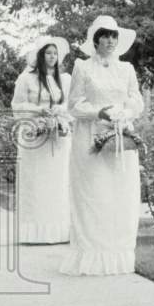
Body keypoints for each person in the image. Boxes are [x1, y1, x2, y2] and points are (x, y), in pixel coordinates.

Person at [60, 15, 144, 276]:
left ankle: (118, 256)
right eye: (104, 36)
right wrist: (100, 113)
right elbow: (74, 105)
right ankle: (91, 255)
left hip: (120, 137)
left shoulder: (127, 69)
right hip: (90, 138)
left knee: (120, 195)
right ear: (95, 41)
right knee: (94, 194)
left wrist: (123, 114)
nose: (109, 40)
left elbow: (136, 101)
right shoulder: (83, 67)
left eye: (113, 36)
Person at [11, 36, 72, 244]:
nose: (52, 57)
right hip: (33, 135)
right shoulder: (26, 78)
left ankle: (58, 231)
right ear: (40, 55)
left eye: (55, 53)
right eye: (48, 53)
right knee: (36, 183)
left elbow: (70, 105)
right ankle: (34, 232)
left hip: (58, 136)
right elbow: (16, 106)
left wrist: (59, 111)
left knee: (57, 183)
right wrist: (39, 110)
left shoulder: (64, 80)